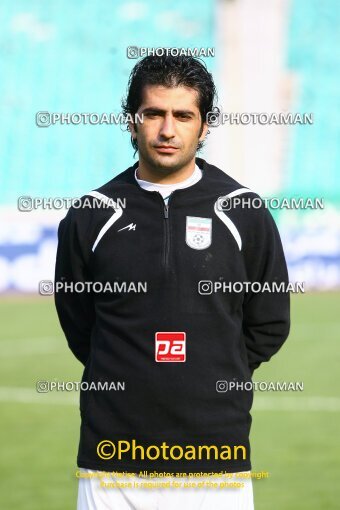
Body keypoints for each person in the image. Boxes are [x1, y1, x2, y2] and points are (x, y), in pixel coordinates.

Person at [55, 54, 290, 510]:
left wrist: (211, 374)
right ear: (132, 121)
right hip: (113, 461)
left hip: (214, 457)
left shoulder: (244, 212)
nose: (168, 130)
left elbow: (269, 324)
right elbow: (79, 325)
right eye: (154, 114)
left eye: (183, 115)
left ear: (204, 127)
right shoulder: (91, 214)